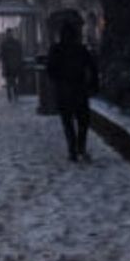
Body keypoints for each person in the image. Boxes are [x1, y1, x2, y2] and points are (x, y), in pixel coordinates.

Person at [45, 22, 99, 162]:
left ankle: (72, 150)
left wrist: (58, 80)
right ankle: (81, 147)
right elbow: (92, 68)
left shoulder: (56, 49)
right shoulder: (81, 49)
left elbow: (50, 69)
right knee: (83, 121)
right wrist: (93, 85)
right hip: (79, 90)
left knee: (67, 123)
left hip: (63, 91)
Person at [0, 28, 23, 102]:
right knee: (13, 81)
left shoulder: (5, 43)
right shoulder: (15, 43)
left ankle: (11, 96)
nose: (9, 35)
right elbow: (20, 53)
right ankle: (14, 95)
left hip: (9, 66)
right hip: (12, 65)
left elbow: (1, 55)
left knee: (10, 81)